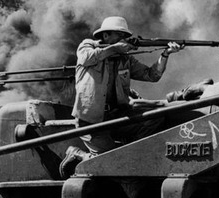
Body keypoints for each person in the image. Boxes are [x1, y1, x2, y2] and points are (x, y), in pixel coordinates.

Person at [60, 16, 183, 176]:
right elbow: (87, 57)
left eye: (125, 36)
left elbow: (152, 75)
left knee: (155, 118)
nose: (125, 39)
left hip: (117, 116)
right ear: (106, 36)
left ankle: (128, 154)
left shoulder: (125, 59)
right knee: (112, 165)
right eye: (120, 35)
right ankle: (79, 154)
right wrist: (116, 48)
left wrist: (166, 54)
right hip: (91, 121)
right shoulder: (87, 46)